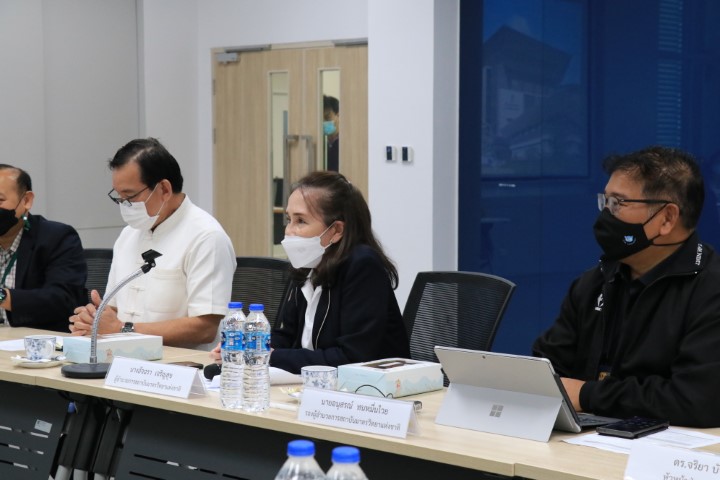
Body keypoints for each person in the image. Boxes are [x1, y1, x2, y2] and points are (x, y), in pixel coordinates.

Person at [533, 145, 720, 427]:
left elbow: (696, 399)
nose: (606, 215)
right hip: (583, 439)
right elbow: (545, 370)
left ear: (667, 218)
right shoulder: (595, 281)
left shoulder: (710, 289)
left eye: (618, 203)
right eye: (605, 201)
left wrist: (587, 395)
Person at [210, 171, 409, 373]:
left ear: (336, 230)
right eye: (289, 219)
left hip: (369, 388)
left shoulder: (363, 266)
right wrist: (248, 347)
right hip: (313, 383)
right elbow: (288, 336)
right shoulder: (308, 264)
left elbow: (352, 357)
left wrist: (267, 356)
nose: (289, 230)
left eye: (301, 221)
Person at [70, 138, 236, 350]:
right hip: (123, 357)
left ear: (164, 189)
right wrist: (93, 320)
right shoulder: (128, 234)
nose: (124, 205)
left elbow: (205, 328)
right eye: (119, 197)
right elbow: (113, 310)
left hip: (182, 363)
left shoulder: (207, 237)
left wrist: (122, 329)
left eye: (130, 196)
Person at [0, 165, 87, 332]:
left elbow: (63, 299)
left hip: (40, 341)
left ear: (26, 200)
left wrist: (2, 296)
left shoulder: (57, 237)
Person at [323, 95, 339, 172]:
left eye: (327, 118)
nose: (324, 122)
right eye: (321, 119)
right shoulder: (321, 144)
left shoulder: (345, 144)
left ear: (338, 115)